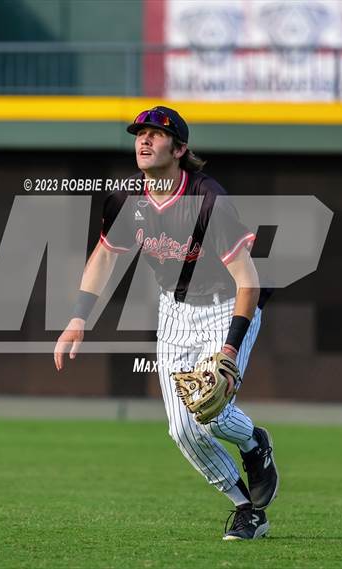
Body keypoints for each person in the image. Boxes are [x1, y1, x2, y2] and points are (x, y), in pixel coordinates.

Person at [54, 106, 278, 541]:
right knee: (181, 427)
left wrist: (229, 350)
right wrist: (78, 317)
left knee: (212, 413)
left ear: (179, 149)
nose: (143, 140)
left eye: (156, 134)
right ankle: (246, 508)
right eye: (139, 133)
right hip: (174, 311)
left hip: (227, 305)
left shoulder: (209, 199)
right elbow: (104, 257)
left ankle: (254, 443)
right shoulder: (126, 199)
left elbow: (248, 283)